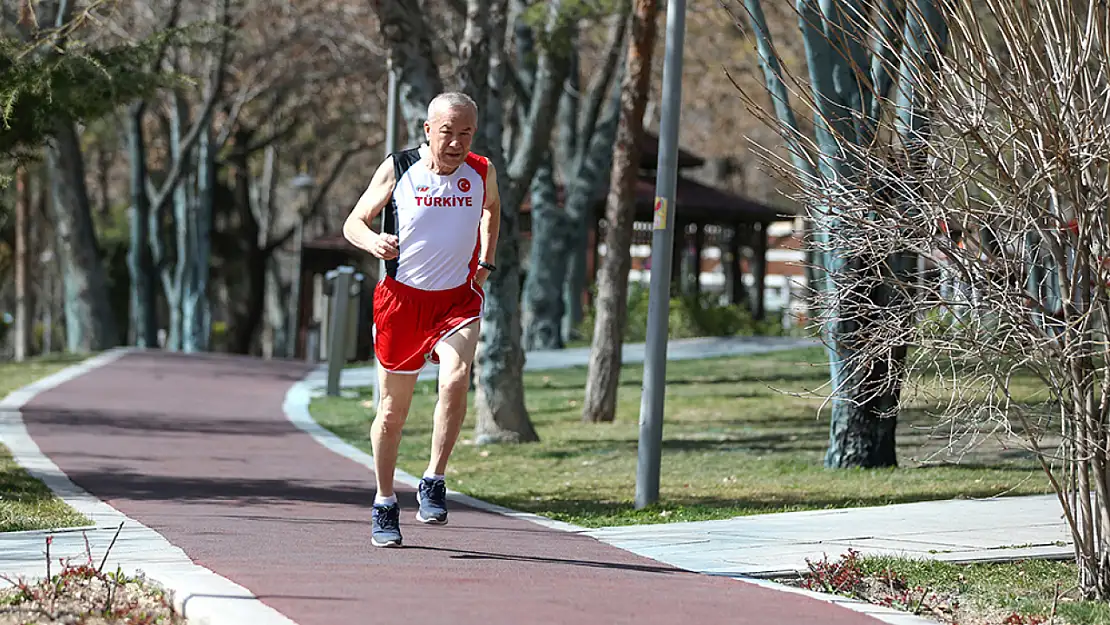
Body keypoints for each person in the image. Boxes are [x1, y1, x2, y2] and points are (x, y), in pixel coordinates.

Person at [342, 92, 500, 547]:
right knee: (393, 412)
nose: (456, 143)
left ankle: (433, 477)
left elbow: (492, 208)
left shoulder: (482, 170)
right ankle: (385, 500)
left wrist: (485, 261)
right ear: (428, 130)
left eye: (465, 133)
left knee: (457, 376)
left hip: (457, 299)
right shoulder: (399, 167)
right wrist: (372, 242)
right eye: (447, 132)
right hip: (401, 302)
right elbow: (354, 221)